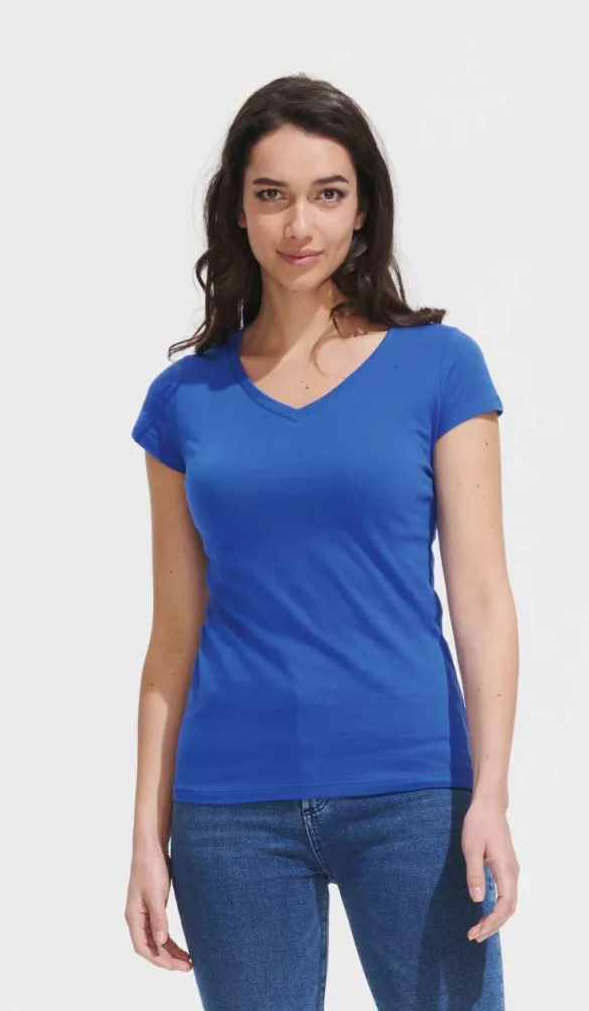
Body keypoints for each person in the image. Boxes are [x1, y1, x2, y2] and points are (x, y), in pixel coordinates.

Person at [124, 73, 520, 1011]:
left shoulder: (441, 368)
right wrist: (146, 833)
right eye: (272, 194)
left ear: (362, 208)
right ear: (238, 210)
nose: (299, 224)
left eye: (327, 193)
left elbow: (481, 598)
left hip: (413, 791)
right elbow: (174, 634)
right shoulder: (184, 401)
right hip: (230, 811)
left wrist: (492, 793)